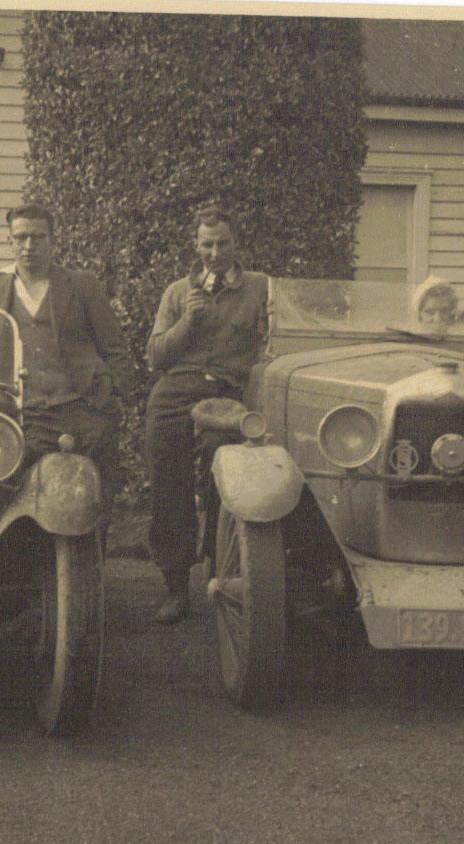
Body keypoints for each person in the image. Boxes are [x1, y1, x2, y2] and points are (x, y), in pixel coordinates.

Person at [0, 204, 130, 526]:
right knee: (2, 484)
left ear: (53, 239)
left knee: (93, 496)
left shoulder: (83, 285)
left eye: (38, 237)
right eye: (21, 237)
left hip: (82, 409)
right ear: (8, 241)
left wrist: (112, 395)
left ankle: (89, 568)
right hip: (24, 412)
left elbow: (115, 347)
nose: (29, 246)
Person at [145, 204, 269, 624]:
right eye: (206, 244)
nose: (214, 253)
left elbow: (271, 349)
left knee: (228, 470)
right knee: (167, 476)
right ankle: (175, 585)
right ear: (195, 245)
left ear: (237, 243)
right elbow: (156, 356)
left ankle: (223, 571)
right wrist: (187, 322)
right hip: (177, 387)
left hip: (228, 392)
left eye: (222, 244)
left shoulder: (260, 289)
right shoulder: (179, 292)